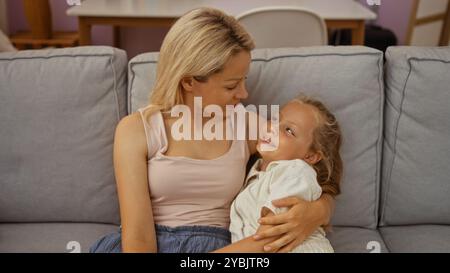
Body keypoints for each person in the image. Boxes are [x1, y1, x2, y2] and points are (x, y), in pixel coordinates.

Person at [90, 7, 335, 253]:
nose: (244, 94)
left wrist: (318, 211)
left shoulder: (245, 125)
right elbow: (137, 239)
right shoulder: (136, 130)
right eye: (231, 86)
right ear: (188, 82)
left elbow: (317, 170)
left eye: (244, 80)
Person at [219, 96, 342, 253]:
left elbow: (268, 240)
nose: (272, 128)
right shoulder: (256, 174)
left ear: (310, 156)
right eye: (275, 119)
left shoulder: (296, 173)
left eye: (289, 131)